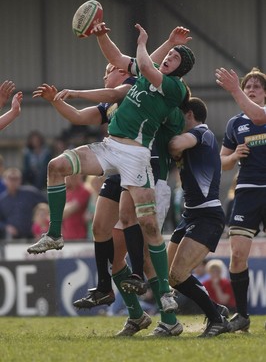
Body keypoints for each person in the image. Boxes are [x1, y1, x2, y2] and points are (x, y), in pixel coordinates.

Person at [27, 22, 195, 316]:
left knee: (148, 227)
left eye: (175, 58)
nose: (169, 58)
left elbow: (144, 63)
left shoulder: (172, 86)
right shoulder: (141, 80)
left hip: (135, 157)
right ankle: (54, 234)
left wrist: (145, 41)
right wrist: (101, 34)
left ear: (180, 71)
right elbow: (119, 59)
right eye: (169, 55)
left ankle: (164, 296)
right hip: (109, 148)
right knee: (57, 166)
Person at [167, 97, 230, 337]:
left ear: (189, 115)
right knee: (170, 277)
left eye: (178, 116)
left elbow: (173, 145)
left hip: (207, 215)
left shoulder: (202, 132)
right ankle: (217, 311)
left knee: (178, 274)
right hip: (190, 214)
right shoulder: (194, 141)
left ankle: (216, 319)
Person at [219, 67, 266, 332]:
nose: (250, 90)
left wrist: (235, 88)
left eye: (256, 87)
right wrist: (234, 156)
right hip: (246, 192)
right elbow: (222, 163)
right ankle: (243, 316)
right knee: (237, 255)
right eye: (247, 86)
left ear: (265, 93)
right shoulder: (235, 123)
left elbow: (259, 117)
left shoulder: (263, 114)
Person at [0, 167, 47, 239]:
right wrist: (6, 227)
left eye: (16, 179)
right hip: (12, 239)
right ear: (5, 180)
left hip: (33, 236)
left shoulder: (30, 193)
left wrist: (40, 220)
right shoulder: (2, 199)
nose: (13, 182)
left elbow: (46, 205)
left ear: (20, 180)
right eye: (10, 179)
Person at [62, 174, 91, 240]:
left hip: (80, 235)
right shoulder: (67, 191)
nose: (71, 178)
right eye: (69, 176)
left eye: (74, 176)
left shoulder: (84, 190)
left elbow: (66, 212)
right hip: (67, 235)